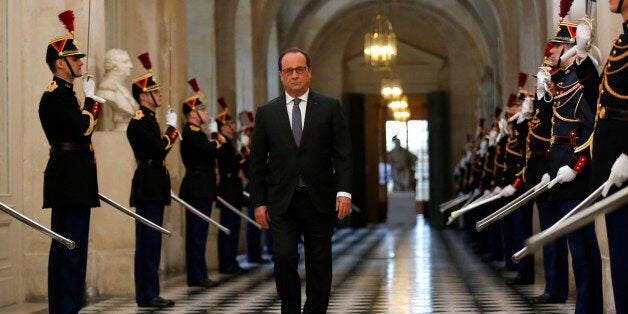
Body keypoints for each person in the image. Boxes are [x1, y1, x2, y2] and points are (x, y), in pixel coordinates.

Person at [249, 47, 353, 313]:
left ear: (309, 72)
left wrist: (344, 191)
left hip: (319, 197)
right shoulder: (266, 112)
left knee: (319, 261)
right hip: (282, 200)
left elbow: (342, 153)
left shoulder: (329, 107)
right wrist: (259, 202)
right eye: (288, 71)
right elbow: (257, 161)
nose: (294, 76)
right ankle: (291, 308)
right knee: (283, 256)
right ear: (281, 75)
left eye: (299, 70)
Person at [39, 10, 106, 314]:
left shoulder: (67, 95)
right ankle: (64, 309)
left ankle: (69, 307)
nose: (80, 62)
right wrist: (91, 102)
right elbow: (82, 129)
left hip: (74, 179)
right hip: (68, 180)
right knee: (69, 248)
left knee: (73, 247)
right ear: (60, 63)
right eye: (74, 58)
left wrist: (86, 101)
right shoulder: (56, 96)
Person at [542, 5, 602, 312]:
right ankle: (585, 303)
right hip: (560, 174)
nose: (550, 52)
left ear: (568, 49)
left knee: (582, 245)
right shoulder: (561, 84)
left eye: (556, 47)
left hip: (576, 177)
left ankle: (589, 305)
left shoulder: (578, 85)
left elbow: (593, 129)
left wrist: (578, 167)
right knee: (574, 243)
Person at [576, 1, 628, 311]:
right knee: (621, 256)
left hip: (622, 161)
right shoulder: (622, 42)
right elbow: (602, 102)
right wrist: (582, 57)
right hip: (613, 166)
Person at [126, 52, 179, 308]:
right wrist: (172, 132)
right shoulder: (139, 122)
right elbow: (158, 151)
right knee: (147, 241)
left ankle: (151, 292)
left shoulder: (149, 121)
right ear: (143, 96)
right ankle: (146, 294)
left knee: (153, 241)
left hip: (154, 184)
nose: (159, 95)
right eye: (155, 92)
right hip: (147, 184)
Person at [179, 78, 220, 288]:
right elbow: (212, 151)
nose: (206, 114)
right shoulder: (192, 134)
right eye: (203, 111)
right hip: (196, 187)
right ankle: (196, 275)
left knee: (200, 234)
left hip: (202, 187)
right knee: (196, 235)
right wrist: (215, 135)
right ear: (193, 113)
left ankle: (199, 273)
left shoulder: (198, 134)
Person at [214, 98, 247, 274]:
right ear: (223, 127)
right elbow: (233, 163)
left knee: (233, 227)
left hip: (234, 189)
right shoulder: (223, 144)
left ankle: (232, 260)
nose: (233, 126)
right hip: (227, 189)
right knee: (227, 227)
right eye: (230, 124)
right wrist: (243, 152)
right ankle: (226, 262)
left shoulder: (230, 143)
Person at [239, 111, 272, 264]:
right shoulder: (245, 153)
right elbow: (248, 170)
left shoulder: (260, 152)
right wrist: (245, 149)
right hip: (253, 190)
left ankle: (260, 251)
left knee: (264, 224)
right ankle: (253, 254)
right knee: (253, 224)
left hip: (265, 189)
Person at [96, 48, 137, 131]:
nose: (131, 66)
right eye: (126, 62)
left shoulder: (122, 89)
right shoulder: (106, 92)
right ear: (114, 66)